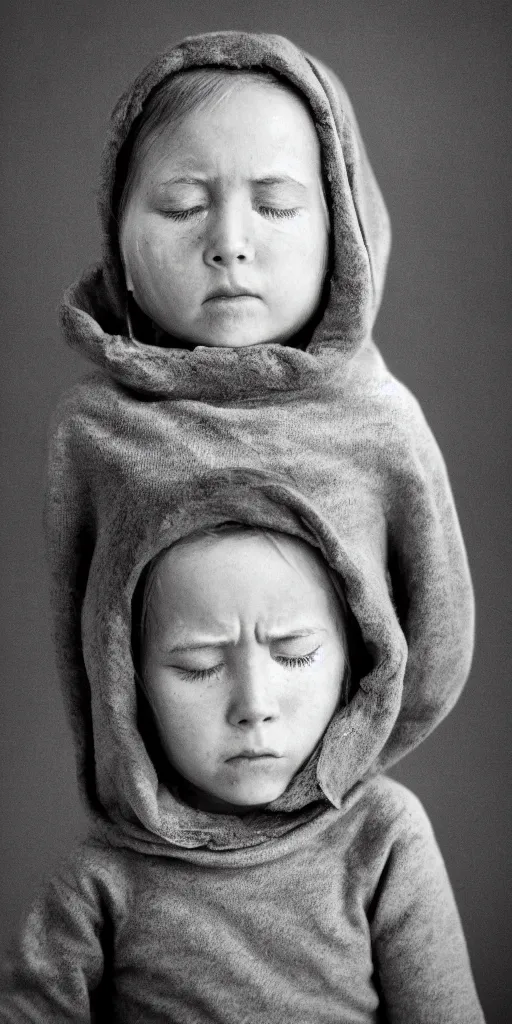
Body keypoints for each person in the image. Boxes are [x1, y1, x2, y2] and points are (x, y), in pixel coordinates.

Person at [0, 28, 483, 1020]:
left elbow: (432, 622)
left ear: (341, 226)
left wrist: (346, 750)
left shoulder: (378, 421)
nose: (229, 238)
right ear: (118, 237)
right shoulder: (93, 431)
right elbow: (83, 624)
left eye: (274, 203)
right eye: (182, 203)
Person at [0, 498, 484, 1020]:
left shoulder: (383, 837)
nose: (254, 706)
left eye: (294, 652)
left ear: (356, 661)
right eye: (199, 665)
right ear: (128, 686)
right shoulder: (98, 882)